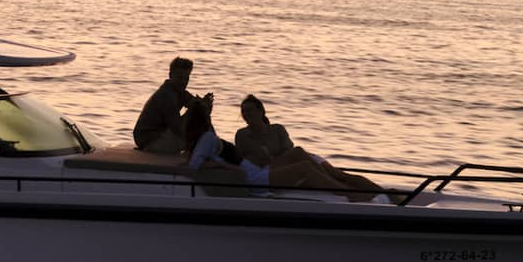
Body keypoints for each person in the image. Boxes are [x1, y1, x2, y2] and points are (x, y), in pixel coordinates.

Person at [233, 95, 383, 199]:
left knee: (339, 174)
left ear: (261, 111)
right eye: (244, 111)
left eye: (250, 110)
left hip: (295, 159)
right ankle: (345, 192)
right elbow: (242, 161)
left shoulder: (277, 129)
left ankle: (383, 193)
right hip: (273, 168)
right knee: (301, 155)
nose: (246, 114)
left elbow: (288, 152)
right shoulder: (242, 135)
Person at [133, 57, 210, 156]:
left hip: (162, 135)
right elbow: (178, 128)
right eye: (180, 78)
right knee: (199, 140)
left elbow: (194, 104)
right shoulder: (167, 95)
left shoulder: (180, 92)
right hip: (149, 140)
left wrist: (205, 105)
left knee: (199, 110)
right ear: (170, 76)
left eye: (186, 78)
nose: (183, 82)